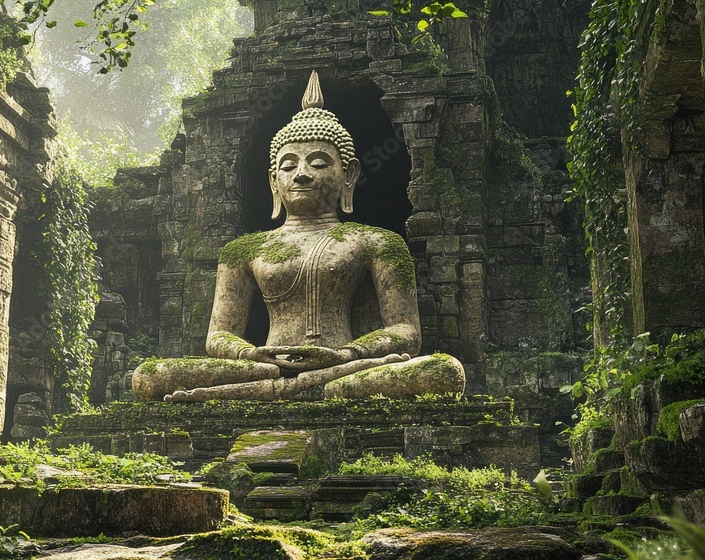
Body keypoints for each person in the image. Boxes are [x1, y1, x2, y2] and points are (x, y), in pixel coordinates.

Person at [132, 71, 464, 402]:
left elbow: (406, 331)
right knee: (149, 377)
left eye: (318, 163)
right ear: (273, 180)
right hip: (268, 367)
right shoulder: (244, 250)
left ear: (348, 174)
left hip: (348, 365)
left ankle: (297, 387)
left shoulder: (376, 242)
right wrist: (255, 356)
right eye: (289, 166)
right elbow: (219, 335)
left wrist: (346, 355)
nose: (302, 174)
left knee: (444, 371)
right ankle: (302, 385)